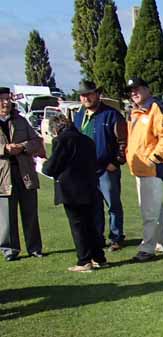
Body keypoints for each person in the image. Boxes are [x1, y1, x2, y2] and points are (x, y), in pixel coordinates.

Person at [42, 114, 108, 272]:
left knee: (78, 226)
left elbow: (51, 167)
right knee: (91, 225)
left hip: (71, 189)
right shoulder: (87, 140)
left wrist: (43, 164)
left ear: (55, 129)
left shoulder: (61, 140)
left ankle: (84, 260)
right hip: (90, 187)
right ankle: (99, 258)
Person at [125, 77, 163, 262]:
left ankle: (147, 248)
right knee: (155, 209)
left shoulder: (157, 108)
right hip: (140, 169)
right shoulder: (136, 111)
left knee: (149, 211)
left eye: (137, 89)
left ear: (147, 89)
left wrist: (153, 159)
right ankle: (162, 243)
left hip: (152, 169)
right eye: (131, 90)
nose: (134, 93)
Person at [74, 80, 128, 251]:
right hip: (86, 170)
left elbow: (123, 141)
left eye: (89, 94)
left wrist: (116, 162)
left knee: (113, 205)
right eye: (82, 95)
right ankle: (98, 237)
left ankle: (116, 237)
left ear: (97, 94)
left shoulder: (111, 115)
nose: (86, 98)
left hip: (106, 169)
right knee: (93, 206)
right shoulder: (79, 116)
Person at [0, 86, 45, 261]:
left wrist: (22, 147)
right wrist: (5, 149)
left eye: (7, 99)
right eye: (2, 99)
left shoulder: (21, 120)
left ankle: (35, 248)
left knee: (30, 213)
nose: (5, 102)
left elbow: (36, 141)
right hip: (3, 176)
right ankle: (10, 250)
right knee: (6, 217)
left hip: (25, 173)